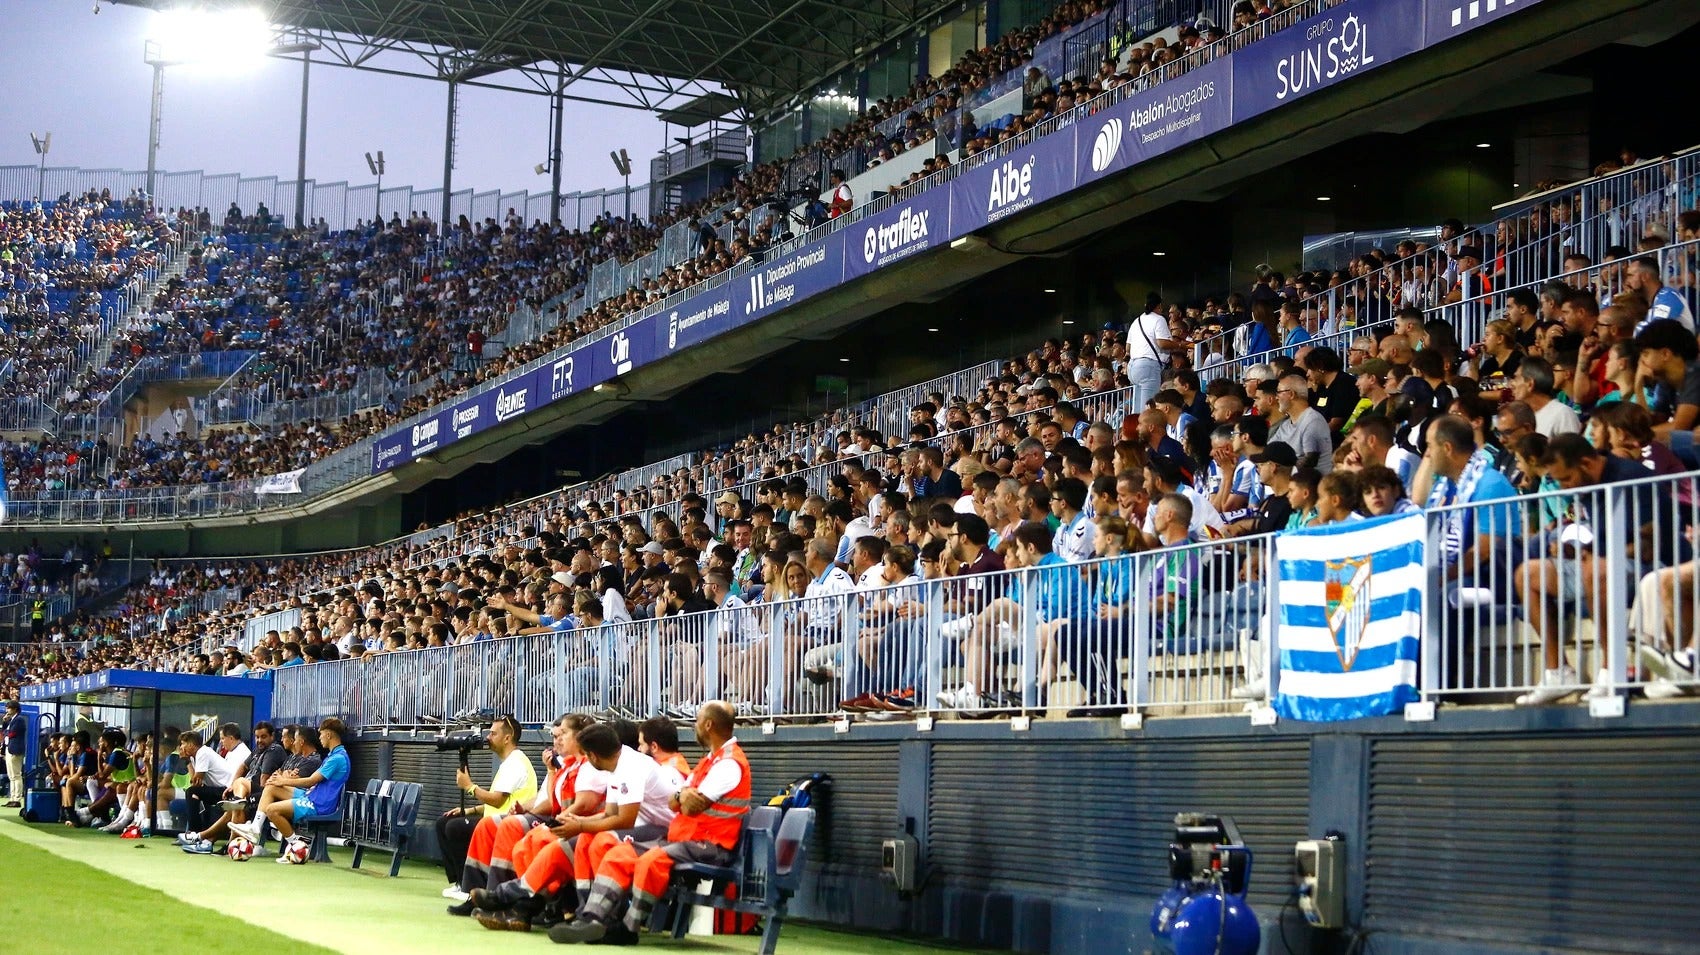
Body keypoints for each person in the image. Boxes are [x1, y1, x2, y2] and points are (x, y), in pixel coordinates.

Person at [546, 702, 751, 945]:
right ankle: (593, 919)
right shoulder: (710, 761)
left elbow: (689, 805)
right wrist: (681, 796)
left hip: (710, 845)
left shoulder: (728, 764)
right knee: (620, 853)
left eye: (697, 721)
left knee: (651, 860)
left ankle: (628, 928)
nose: (694, 726)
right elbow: (676, 802)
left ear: (708, 725)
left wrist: (682, 797)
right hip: (683, 839)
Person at [437, 715, 538, 891]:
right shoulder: (509, 762)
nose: (487, 738)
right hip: (494, 819)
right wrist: (470, 811)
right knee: (444, 822)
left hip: (507, 824)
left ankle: (469, 886)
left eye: (492, 734)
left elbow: (498, 802)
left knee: (455, 828)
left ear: (507, 738)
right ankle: (458, 881)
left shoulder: (515, 763)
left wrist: (469, 786)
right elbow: (501, 801)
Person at [232, 717, 352, 863]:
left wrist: (284, 780)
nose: (319, 737)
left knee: (272, 810)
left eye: (321, 734)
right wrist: (282, 780)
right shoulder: (333, 755)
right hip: (312, 796)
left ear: (329, 735)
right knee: (271, 787)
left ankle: (296, 845)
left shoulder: (337, 758)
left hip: (319, 804)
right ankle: (255, 828)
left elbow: (311, 780)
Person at [3, 701, 24, 808]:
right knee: (11, 776)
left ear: (15, 709)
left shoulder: (19, 719)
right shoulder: (11, 720)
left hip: (15, 749)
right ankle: (12, 798)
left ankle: (17, 798)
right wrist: (5, 722)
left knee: (16, 775)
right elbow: (5, 732)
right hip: (9, 748)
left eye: (9, 708)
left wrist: (6, 732)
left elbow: (12, 733)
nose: (7, 710)